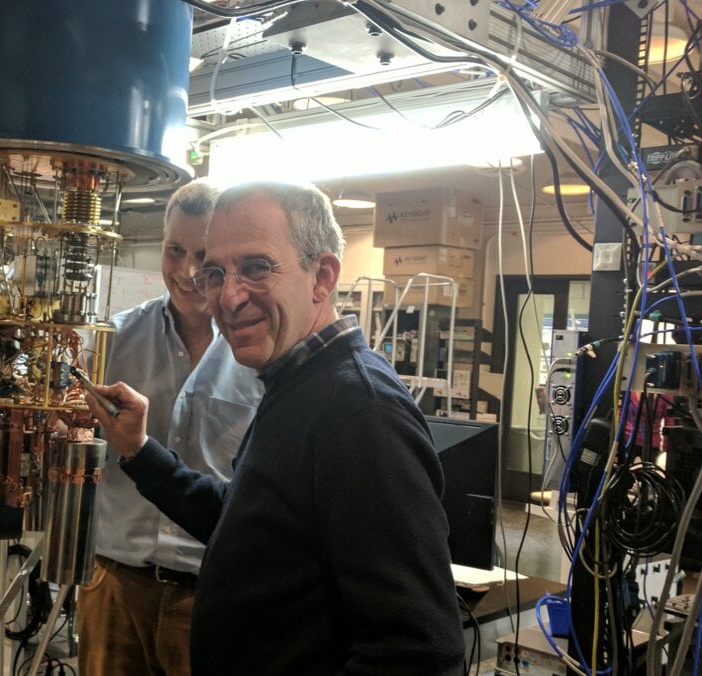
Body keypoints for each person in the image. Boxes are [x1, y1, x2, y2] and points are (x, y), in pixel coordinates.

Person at [84, 181, 467, 675]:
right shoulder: (296, 384)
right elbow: (243, 524)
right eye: (216, 273)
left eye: (256, 268)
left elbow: (419, 651)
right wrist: (139, 451)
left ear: (322, 276)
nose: (229, 295)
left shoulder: (359, 413)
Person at [77, 180, 264, 676]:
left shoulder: (260, 352)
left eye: (202, 255)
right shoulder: (112, 339)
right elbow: (73, 432)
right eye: (173, 250)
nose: (185, 271)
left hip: (212, 597)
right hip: (115, 585)